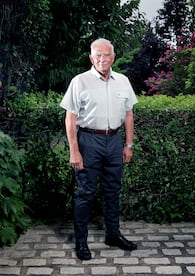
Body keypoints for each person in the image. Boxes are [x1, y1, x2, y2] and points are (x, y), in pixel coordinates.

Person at [60, 38, 138, 260]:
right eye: (98, 56)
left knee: (113, 192)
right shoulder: (80, 81)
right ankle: (81, 242)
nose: (102, 59)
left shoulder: (123, 81)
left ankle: (113, 235)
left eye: (106, 55)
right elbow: (70, 118)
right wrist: (74, 151)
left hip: (114, 141)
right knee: (85, 193)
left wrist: (128, 145)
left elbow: (129, 114)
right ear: (91, 58)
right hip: (88, 141)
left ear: (113, 57)